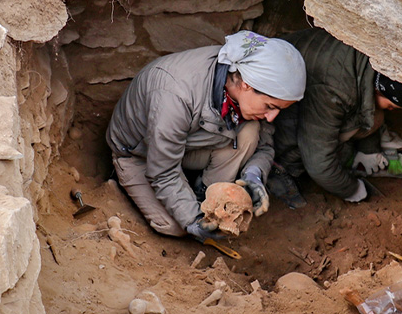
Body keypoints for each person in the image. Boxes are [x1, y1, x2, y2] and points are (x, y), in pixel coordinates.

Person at [106, 30, 306, 241]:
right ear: (247, 85)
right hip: (141, 155)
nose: (272, 117)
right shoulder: (176, 94)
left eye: (279, 110)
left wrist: (254, 176)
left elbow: (264, 145)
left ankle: (203, 193)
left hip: (187, 145)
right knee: (175, 226)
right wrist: (194, 219)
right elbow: (163, 172)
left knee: (250, 132)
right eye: (270, 106)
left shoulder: (237, 78)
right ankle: (186, 201)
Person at [269, 27, 402, 206]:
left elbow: (366, 104)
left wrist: (369, 150)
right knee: (324, 151)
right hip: (276, 112)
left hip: (310, 81)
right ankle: (284, 169)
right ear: (379, 90)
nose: (391, 110)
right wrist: (353, 190)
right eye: (392, 106)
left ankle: (354, 154)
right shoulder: (335, 91)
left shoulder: (366, 65)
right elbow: (318, 163)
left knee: (374, 118)